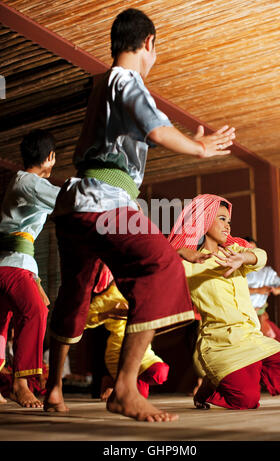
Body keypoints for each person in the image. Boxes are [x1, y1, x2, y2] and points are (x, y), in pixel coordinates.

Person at [43, 8, 235, 422]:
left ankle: (54, 390)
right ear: (149, 42)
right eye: (156, 49)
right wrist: (200, 148)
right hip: (105, 202)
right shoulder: (126, 79)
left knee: (75, 295)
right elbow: (153, 128)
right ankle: (124, 388)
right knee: (162, 264)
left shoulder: (102, 84)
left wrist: (183, 138)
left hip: (76, 207)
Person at [169, 194, 280, 410]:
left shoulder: (236, 251)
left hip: (251, 337)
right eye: (221, 219)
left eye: (229, 221)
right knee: (246, 401)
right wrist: (180, 252)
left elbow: (262, 255)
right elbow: (156, 260)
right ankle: (210, 385)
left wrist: (243, 258)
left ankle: (224, 378)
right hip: (221, 344)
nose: (227, 225)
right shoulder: (187, 263)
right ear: (203, 219)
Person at [0, 129, 60, 408]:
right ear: (50, 157)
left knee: (2, 326)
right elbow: (68, 199)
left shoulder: (22, 182)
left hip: (13, 263)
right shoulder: (30, 182)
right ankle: (20, 384)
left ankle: (11, 384)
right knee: (36, 311)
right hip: (12, 265)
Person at [85, 264, 170, 400]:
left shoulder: (139, 287)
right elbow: (84, 321)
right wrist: (109, 314)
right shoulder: (106, 297)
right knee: (137, 397)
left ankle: (116, 385)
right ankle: (116, 383)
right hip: (119, 351)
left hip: (143, 351)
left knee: (159, 373)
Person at [244, 236, 280, 347]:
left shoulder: (266, 272)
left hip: (260, 314)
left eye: (254, 251)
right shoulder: (236, 270)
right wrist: (258, 290)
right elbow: (233, 291)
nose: (251, 254)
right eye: (248, 251)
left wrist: (275, 290)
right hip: (243, 317)